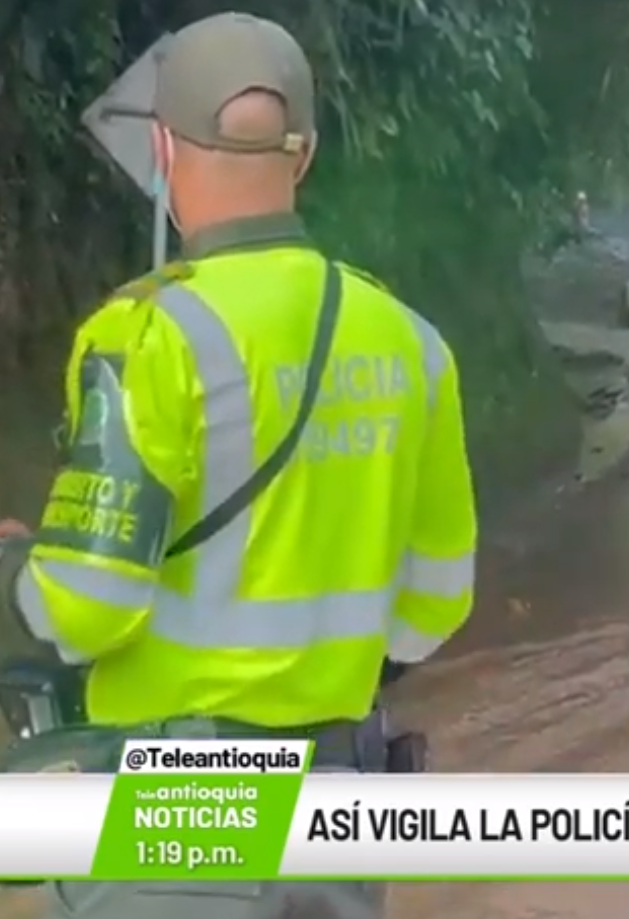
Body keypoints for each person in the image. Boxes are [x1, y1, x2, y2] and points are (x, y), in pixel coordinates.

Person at [0, 11, 476, 918]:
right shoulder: (411, 344)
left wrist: (19, 570)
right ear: (302, 157)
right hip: (340, 801)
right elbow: (434, 603)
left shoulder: (151, 337)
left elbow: (89, 606)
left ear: (166, 153)